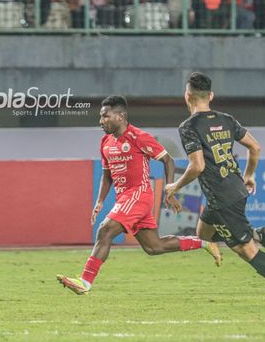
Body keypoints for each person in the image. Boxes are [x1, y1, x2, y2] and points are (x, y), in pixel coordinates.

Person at [164, 73, 265, 305]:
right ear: (210, 95)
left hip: (222, 197)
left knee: (246, 251)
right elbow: (255, 146)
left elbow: (198, 165)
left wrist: (174, 187)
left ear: (187, 96)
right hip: (233, 188)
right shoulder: (226, 119)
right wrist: (249, 175)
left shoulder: (188, 126)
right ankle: (257, 233)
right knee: (203, 234)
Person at [57, 95, 222, 295]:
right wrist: (100, 201)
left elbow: (168, 160)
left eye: (105, 117)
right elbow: (107, 175)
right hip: (125, 198)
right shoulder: (106, 142)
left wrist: (170, 189)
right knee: (154, 247)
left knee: (105, 230)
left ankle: (85, 282)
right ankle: (204, 243)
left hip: (138, 195)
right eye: (101, 117)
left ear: (120, 116)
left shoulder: (138, 137)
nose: (101, 121)